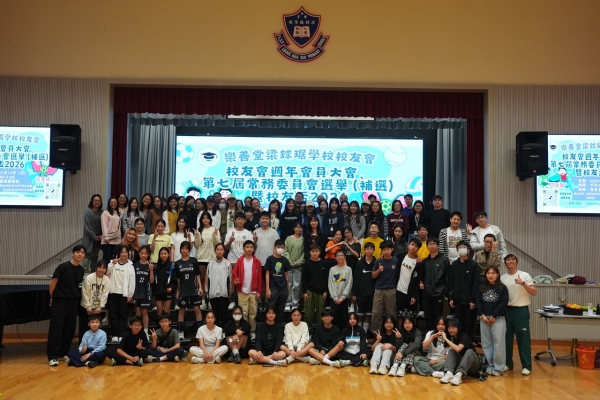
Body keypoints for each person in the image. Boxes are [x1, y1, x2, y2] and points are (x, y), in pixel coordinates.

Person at [47, 245, 86, 366]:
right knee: (56, 328)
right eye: (78, 252)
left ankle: (63, 352)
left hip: (73, 302)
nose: (80, 254)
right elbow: (53, 283)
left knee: (69, 329)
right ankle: (53, 356)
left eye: (82, 253)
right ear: (73, 253)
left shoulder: (81, 270)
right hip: (60, 300)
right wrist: (52, 297)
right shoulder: (63, 267)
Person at [500, 254, 537, 376]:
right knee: (507, 339)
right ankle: (508, 364)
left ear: (517, 262)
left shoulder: (524, 275)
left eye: (513, 259)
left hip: (521, 310)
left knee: (523, 339)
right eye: (508, 260)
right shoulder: (502, 278)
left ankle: (526, 366)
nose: (510, 261)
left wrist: (522, 283)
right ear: (505, 263)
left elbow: (534, 292)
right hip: (507, 311)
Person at [477, 265, 508, 376]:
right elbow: (478, 302)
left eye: (493, 273)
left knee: (499, 343)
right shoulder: (481, 287)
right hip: (484, 319)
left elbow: (503, 303)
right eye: (488, 273)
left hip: (498, 319)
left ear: (497, 274)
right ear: (485, 275)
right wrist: (482, 315)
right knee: (486, 343)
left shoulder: (502, 288)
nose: (490, 275)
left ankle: (498, 368)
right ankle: (490, 365)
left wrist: (494, 315)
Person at [447, 240, 479, 340]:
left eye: (464, 247)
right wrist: (451, 298)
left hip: (469, 302)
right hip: (457, 301)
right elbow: (450, 283)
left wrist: (473, 300)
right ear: (457, 250)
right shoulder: (454, 265)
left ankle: (468, 347)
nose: (462, 249)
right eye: (460, 247)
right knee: (458, 326)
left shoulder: (473, 265)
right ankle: (458, 346)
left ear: (468, 250)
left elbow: (476, 284)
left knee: (469, 326)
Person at [232, 240, 263, 339]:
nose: (249, 249)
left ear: (253, 249)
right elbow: (234, 273)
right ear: (243, 249)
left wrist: (259, 291)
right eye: (247, 247)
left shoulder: (257, 261)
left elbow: (260, 278)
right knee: (244, 313)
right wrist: (236, 280)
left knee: (253, 313)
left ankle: (252, 330)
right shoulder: (240, 260)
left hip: (254, 291)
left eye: (251, 247)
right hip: (242, 291)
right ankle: (244, 331)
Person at [438, 319, 481, 386]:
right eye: (449, 328)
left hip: (473, 366)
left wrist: (445, 339)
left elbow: (458, 349)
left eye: (453, 328)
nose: (451, 330)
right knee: (451, 351)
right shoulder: (453, 338)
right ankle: (449, 374)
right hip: (464, 366)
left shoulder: (465, 337)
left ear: (458, 328)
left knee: (469, 351)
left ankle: (458, 376)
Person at [302, 244, 334, 333]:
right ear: (310, 252)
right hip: (309, 291)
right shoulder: (306, 264)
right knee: (308, 313)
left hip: (321, 292)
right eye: (313, 251)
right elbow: (303, 279)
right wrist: (304, 292)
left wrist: (326, 291)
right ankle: (309, 331)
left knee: (321, 314)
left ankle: (320, 331)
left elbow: (326, 278)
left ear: (320, 252)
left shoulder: (324, 263)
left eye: (316, 251)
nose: (315, 253)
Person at [175, 241, 203, 339]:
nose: (184, 250)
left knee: (197, 309)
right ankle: (181, 332)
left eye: (186, 249)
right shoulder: (177, 263)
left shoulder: (193, 260)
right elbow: (178, 279)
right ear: (180, 250)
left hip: (194, 289)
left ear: (189, 250)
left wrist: (200, 287)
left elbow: (198, 275)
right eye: (183, 248)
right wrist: (177, 291)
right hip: (183, 290)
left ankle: (200, 332)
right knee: (182, 310)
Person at [107, 244, 135, 343]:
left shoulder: (130, 265)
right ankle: (114, 334)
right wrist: (112, 264)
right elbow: (106, 273)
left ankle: (121, 334)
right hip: (112, 292)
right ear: (118, 253)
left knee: (123, 315)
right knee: (113, 314)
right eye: (122, 252)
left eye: (126, 252)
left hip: (124, 294)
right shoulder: (112, 263)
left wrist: (130, 294)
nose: (124, 254)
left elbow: (132, 281)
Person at [420, 238, 449, 332]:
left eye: (434, 244)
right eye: (430, 244)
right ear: (427, 246)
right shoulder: (425, 261)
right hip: (426, 294)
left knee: (438, 318)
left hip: (439, 294)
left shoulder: (444, 260)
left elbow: (447, 277)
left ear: (438, 246)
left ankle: (438, 336)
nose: (432, 246)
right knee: (428, 317)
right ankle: (429, 337)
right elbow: (421, 277)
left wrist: (445, 292)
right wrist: (421, 284)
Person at [370, 241, 399, 334]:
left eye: (388, 249)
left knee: (391, 312)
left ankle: (391, 332)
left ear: (392, 249)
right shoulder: (378, 261)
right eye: (384, 250)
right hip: (379, 289)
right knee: (376, 312)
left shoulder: (396, 261)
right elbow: (373, 276)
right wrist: (379, 270)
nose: (386, 251)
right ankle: (375, 333)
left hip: (391, 290)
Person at [79, 260, 110, 340]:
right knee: (84, 329)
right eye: (100, 267)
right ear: (96, 268)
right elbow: (85, 293)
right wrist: (88, 308)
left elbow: (105, 295)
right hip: (86, 308)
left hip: (97, 309)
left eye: (104, 268)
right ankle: (83, 345)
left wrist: (99, 307)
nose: (101, 270)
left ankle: (95, 346)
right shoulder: (89, 278)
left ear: (106, 269)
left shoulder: (107, 280)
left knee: (95, 329)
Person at [195, 211, 221, 307]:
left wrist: (215, 233)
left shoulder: (214, 229)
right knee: (202, 280)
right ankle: (202, 300)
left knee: (211, 280)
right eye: (203, 218)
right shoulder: (199, 230)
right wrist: (197, 235)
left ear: (210, 219)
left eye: (207, 218)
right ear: (201, 220)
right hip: (201, 258)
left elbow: (217, 244)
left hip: (212, 258)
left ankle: (210, 300)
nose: (205, 220)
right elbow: (197, 245)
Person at [205, 243, 233, 327]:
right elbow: (207, 278)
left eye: (221, 250)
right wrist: (207, 291)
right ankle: (215, 330)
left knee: (224, 314)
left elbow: (230, 279)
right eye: (218, 250)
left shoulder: (227, 264)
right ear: (215, 251)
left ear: (224, 251)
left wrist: (230, 291)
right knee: (215, 314)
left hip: (224, 293)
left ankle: (224, 330)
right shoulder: (210, 264)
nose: (219, 251)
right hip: (213, 293)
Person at [264, 239, 291, 322]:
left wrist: (288, 289)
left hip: (283, 288)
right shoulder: (270, 259)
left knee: (280, 310)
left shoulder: (285, 260)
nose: (280, 249)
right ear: (274, 247)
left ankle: (278, 326)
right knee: (270, 308)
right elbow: (267, 274)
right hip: (273, 287)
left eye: (282, 247)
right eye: (278, 247)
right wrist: (267, 289)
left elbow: (286, 275)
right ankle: (269, 325)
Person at [353, 241, 376, 332]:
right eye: (367, 249)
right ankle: (359, 332)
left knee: (368, 314)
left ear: (374, 250)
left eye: (371, 249)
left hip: (371, 294)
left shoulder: (376, 262)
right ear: (364, 250)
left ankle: (364, 333)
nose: (369, 251)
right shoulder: (359, 263)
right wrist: (354, 293)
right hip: (360, 294)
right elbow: (356, 278)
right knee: (360, 314)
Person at [396, 238, 422, 314]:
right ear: (408, 245)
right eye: (412, 245)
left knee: (410, 316)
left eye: (416, 246)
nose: (413, 247)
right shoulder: (400, 257)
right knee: (400, 315)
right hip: (399, 291)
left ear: (418, 249)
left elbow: (418, 281)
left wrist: (414, 296)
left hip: (411, 293)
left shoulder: (419, 263)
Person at [328, 250, 353, 329]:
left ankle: (342, 334)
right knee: (334, 317)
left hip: (344, 299)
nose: (340, 257)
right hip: (334, 298)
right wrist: (335, 297)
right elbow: (330, 284)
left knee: (343, 318)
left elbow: (349, 284)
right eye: (338, 255)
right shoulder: (332, 269)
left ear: (345, 257)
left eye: (342, 255)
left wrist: (343, 297)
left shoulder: (348, 269)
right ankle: (334, 334)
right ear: (335, 258)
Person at [133, 245, 154, 336]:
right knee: (137, 311)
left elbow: (151, 281)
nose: (143, 255)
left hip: (145, 292)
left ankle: (145, 331)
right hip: (136, 292)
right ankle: (137, 329)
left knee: (145, 312)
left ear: (148, 254)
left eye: (145, 253)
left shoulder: (150, 265)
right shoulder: (135, 265)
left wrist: (151, 270)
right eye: (141, 253)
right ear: (139, 254)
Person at [284, 223, 304, 311]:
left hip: (298, 267)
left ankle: (295, 303)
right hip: (288, 267)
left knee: (296, 286)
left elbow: (304, 253)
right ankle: (288, 303)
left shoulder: (303, 240)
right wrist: (289, 261)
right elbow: (285, 250)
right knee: (288, 285)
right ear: (294, 228)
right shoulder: (288, 238)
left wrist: (297, 263)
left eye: (300, 227)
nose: (298, 229)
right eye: (297, 227)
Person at [81, 194, 103, 272]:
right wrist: (94, 237)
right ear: (92, 201)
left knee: (95, 256)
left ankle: (93, 274)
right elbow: (87, 227)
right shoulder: (88, 211)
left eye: (98, 201)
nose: (97, 202)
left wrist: (101, 236)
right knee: (86, 256)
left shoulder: (102, 212)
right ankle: (84, 277)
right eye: (95, 201)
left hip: (98, 239)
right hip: (89, 238)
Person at [153, 247, 175, 315]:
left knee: (167, 311)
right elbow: (153, 281)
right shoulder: (156, 267)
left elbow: (174, 281)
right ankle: (159, 322)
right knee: (159, 311)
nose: (163, 255)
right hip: (158, 292)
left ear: (168, 254)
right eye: (161, 254)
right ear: (159, 255)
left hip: (168, 292)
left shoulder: (172, 267)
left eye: (165, 254)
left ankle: (167, 322)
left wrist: (171, 288)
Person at [101, 197, 121, 264]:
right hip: (108, 240)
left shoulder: (118, 212)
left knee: (115, 259)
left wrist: (119, 239)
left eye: (115, 202)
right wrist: (106, 236)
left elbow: (119, 227)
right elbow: (104, 225)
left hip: (116, 239)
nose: (113, 203)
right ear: (109, 203)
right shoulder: (105, 213)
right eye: (111, 202)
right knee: (107, 258)